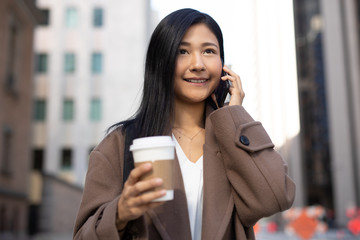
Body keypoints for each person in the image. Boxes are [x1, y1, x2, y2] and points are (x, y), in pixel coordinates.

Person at [73, 8, 295, 240]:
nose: (197, 64)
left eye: (209, 51)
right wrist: (119, 213)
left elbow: (275, 197)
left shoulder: (231, 141)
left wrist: (235, 115)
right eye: (182, 51)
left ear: (223, 65)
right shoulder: (119, 145)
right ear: (162, 62)